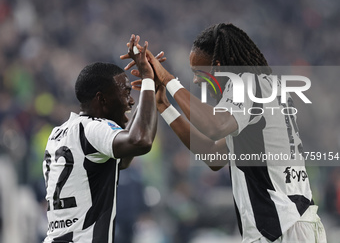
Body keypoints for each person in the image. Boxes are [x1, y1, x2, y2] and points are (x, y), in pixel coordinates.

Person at [123, 24, 327, 243]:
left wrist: (167, 79)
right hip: (294, 223)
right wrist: (164, 105)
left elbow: (215, 126)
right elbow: (214, 156)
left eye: (197, 72)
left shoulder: (248, 83)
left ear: (218, 68)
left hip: (281, 227)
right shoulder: (264, 89)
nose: (196, 81)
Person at [42, 35, 159, 243]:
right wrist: (149, 81)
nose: (130, 100)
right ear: (102, 99)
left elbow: (121, 160)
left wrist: (147, 98)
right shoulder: (94, 128)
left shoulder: (59, 133)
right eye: (125, 93)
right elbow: (141, 141)